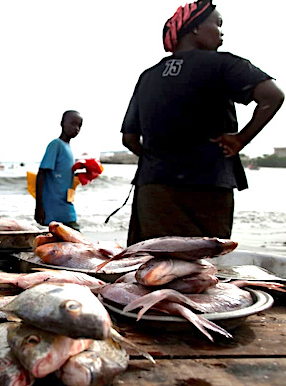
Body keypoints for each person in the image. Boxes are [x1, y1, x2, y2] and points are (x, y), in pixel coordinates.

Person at [121, 0, 284, 246]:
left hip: (154, 189)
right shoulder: (224, 65)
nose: (222, 33)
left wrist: (159, 159)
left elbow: (129, 138)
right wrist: (240, 139)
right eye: (217, 24)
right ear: (195, 28)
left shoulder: (148, 76)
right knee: (202, 270)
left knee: (151, 267)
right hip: (208, 186)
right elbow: (273, 96)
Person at [35, 110, 83, 230]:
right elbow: (41, 174)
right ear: (62, 123)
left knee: (66, 245)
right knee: (76, 237)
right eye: (72, 123)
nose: (76, 128)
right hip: (54, 209)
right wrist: (39, 206)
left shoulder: (68, 148)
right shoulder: (56, 145)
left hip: (66, 205)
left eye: (79, 125)